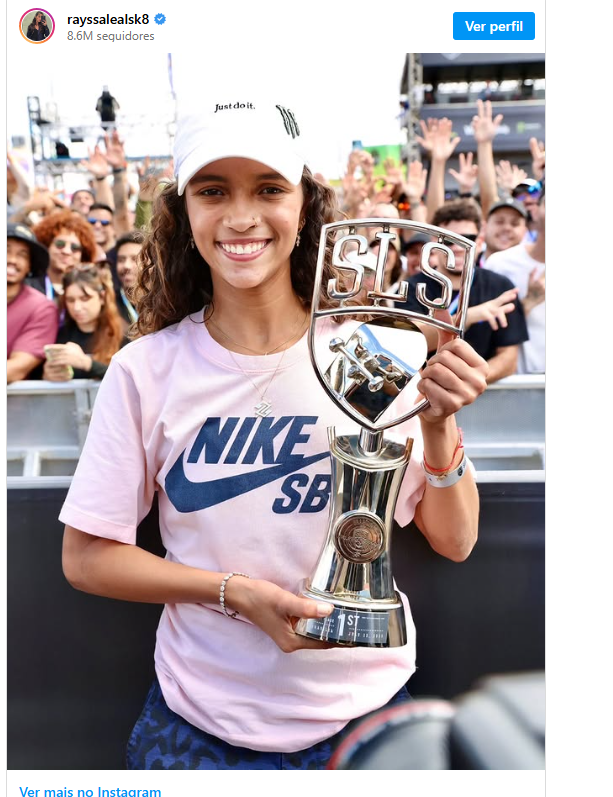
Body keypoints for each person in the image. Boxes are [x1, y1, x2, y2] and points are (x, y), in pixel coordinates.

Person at [60, 97, 488, 770]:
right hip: (199, 720)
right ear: (182, 213)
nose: (240, 216)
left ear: (305, 205)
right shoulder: (146, 369)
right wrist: (232, 592)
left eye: (268, 189)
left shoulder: (370, 352)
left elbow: (455, 540)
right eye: (212, 191)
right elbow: (86, 558)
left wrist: (438, 423)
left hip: (363, 713)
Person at [398, 198, 528, 383]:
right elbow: (411, 344)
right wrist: (468, 317)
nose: (458, 248)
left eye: (468, 240)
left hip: (485, 393)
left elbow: (509, 359)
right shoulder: (412, 287)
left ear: (479, 241)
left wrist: (469, 381)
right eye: (449, 240)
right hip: (428, 394)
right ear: (434, 242)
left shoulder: (501, 286)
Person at [486, 190, 545, 374]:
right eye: (499, 221)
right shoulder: (499, 263)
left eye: (514, 223)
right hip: (513, 382)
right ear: (536, 211)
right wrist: (526, 304)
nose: (507, 228)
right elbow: (485, 328)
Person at [43, 265, 125, 382]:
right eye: (70, 300)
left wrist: (86, 363)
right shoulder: (60, 335)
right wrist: (47, 376)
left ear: (102, 297)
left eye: (85, 299)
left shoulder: (123, 334)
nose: (77, 307)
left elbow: (129, 377)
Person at [7, 223, 59, 383]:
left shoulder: (41, 308)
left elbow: (16, 369)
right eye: (6, 250)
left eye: (22, 255)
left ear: (29, 265)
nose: (12, 260)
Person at [31, 209, 97, 304]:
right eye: (60, 244)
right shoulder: (29, 286)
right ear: (46, 246)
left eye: (75, 248)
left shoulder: (90, 289)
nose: (66, 251)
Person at [114, 230, 144, 325]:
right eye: (121, 260)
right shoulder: (108, 305)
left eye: (134, 259)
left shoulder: (164, 304)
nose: (126, 265)